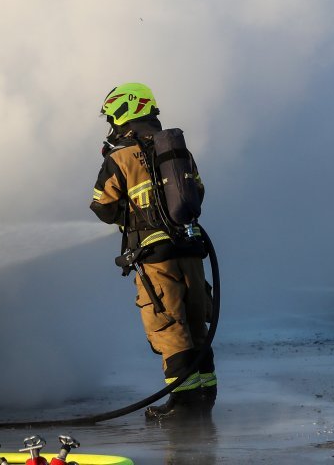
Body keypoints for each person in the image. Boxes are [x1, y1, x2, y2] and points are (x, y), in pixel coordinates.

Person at [89, 82, 216, 420]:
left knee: (168, 327)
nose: (110, 125)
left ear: (124, 113)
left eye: (112, 118)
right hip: (191, 249)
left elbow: (102, 206)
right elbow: (198, 193)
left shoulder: (119, 157)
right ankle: (205, 397)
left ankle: (183, 406)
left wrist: (131, 215)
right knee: (196, 324)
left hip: (156, 259)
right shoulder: (177, 151)